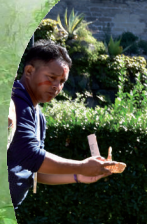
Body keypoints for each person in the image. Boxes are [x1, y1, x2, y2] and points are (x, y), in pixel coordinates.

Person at [7, 41, 114, 209]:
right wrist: (82, 167)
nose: (57, 87)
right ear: (29, 71)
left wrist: (79, 175)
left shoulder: (38, 116)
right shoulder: (15, 101)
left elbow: (36, 170)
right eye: (51, 78)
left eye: (62, 81)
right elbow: (32, 157)